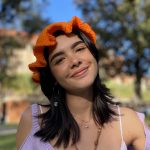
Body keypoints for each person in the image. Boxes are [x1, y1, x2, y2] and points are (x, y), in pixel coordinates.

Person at [16, 16, 150, 150]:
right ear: (53, 77)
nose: (75, 61)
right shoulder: (34, 120)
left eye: (79, 49)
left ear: (93, 55)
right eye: (60, 59)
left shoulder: (128, 121)